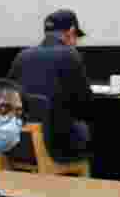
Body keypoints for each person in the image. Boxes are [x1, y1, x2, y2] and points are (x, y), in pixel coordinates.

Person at [7, 9, 93, 161]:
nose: (75, 43)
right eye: (76, 38)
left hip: (19, 145)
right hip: (57, 148)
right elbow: (85, 105)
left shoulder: (21, 56)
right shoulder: (70, 55)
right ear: (71, 32)